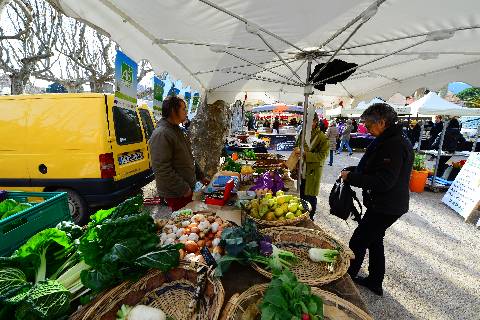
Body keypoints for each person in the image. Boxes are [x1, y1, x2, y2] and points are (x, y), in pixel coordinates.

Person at [340, 103, 413, 296]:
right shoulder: (387, 138)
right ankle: (375, 281)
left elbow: (384, 182)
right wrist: (354, 170)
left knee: (359, 240)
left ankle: (345, 279)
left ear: (382, 122)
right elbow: (376, 168)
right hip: (383, 204)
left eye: (369, 125)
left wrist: (353, 178)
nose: (367, 129)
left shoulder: (394, 144)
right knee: (375, 239)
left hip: (387, 206)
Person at [149, 96, 209, 211]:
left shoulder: (177, 129)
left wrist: (200, 175)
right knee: (183, 223)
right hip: (177, 192)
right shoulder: (162, 134)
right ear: (173, 110)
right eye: (184, 109)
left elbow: (188, 156)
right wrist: (183, 189)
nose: (186, 113)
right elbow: (162, 169)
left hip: (186, 189)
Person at [294, 113, 329, 218]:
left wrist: (306, 154)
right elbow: (297, 146)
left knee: (311, 196)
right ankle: (302, 214)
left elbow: (323, 155)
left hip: (313, 172)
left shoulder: (322, 137)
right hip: (302, 169)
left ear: (315, 122)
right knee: (302, 194)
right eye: (305, 121)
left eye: (309, 122)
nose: (306, 124)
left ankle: (310, 217)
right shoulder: (302, 133)